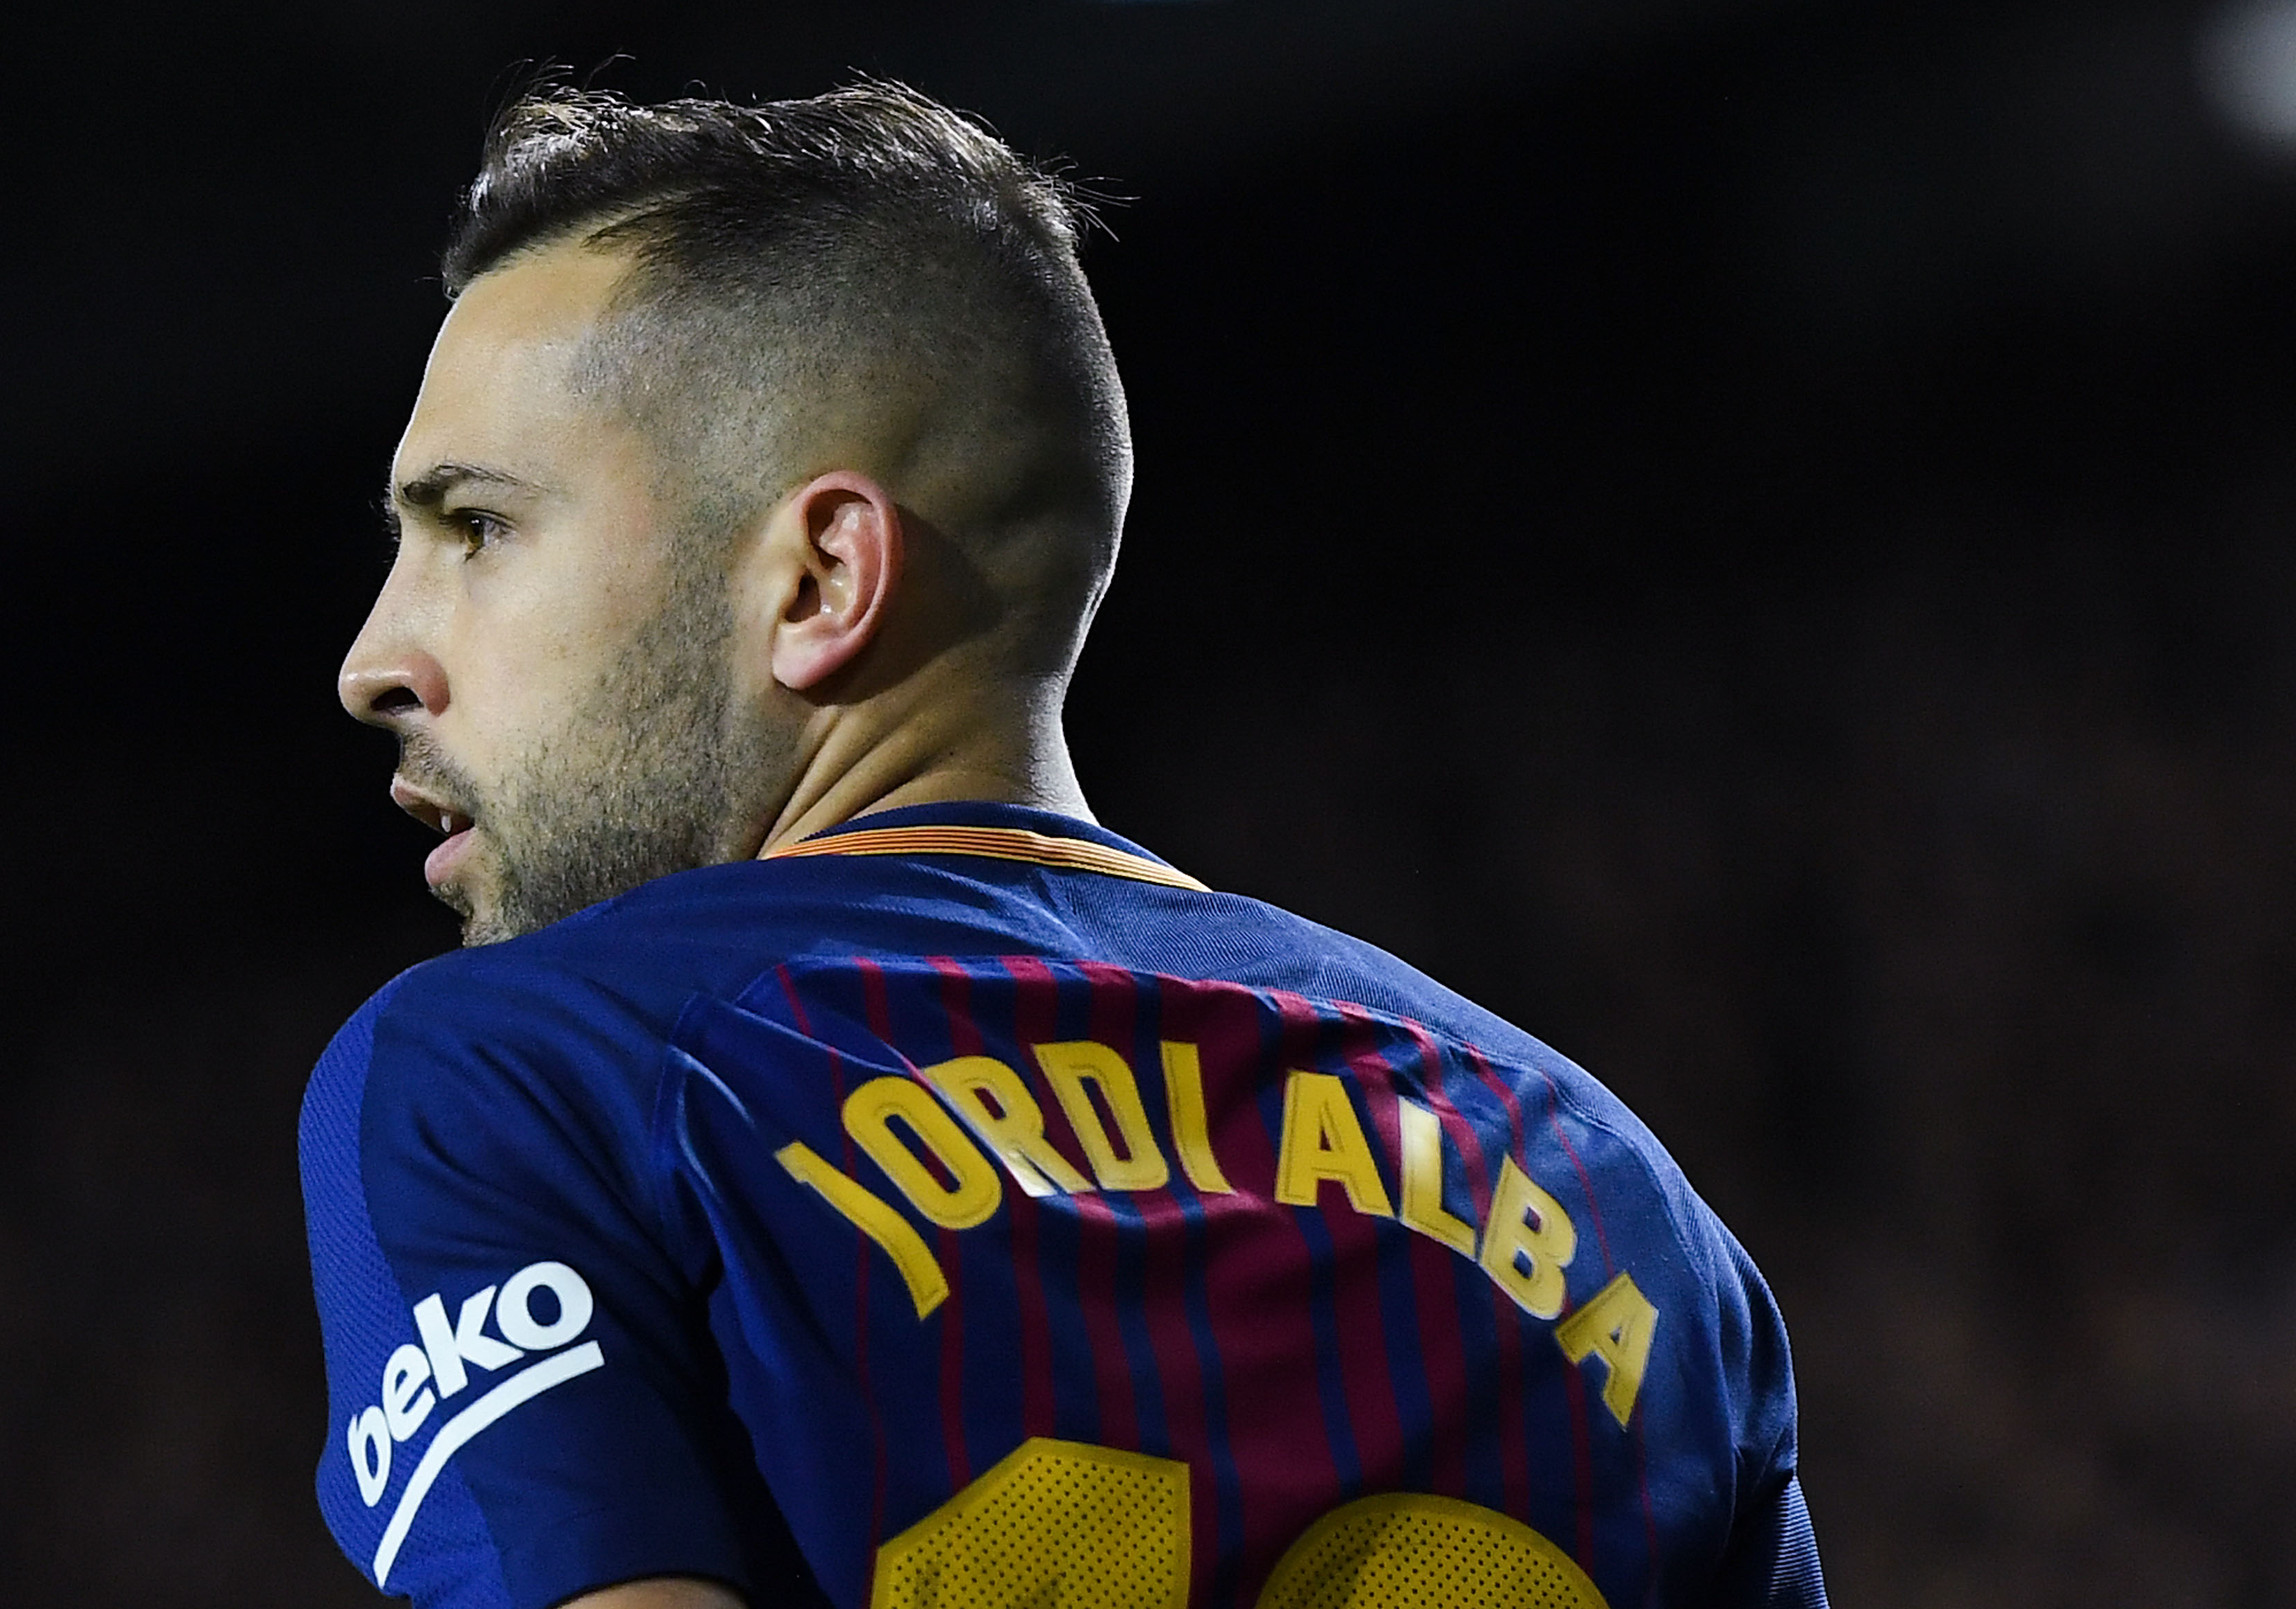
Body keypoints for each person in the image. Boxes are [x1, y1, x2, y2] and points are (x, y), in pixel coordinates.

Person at [301, 81, 1825, 1609]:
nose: (377, 660)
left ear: (823, 579)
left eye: (477, 528)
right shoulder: (1627, 1202)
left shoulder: (518, 1075)